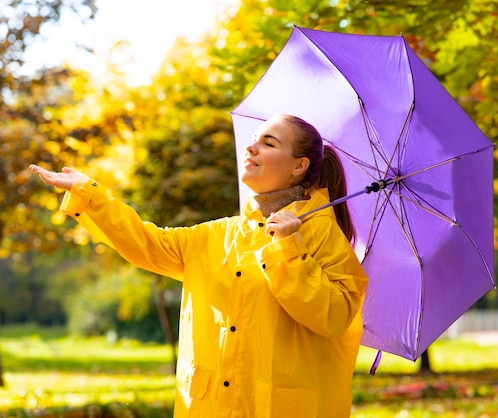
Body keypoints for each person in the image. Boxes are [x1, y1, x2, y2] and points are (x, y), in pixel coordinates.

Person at [30, 114, 368, 418]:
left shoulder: (324, 236)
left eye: (269, 142)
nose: (251, 147)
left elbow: (333, 317)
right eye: (255, 138)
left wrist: (289, 250)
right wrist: (89, 194)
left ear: (299, 166)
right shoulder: (220, 234)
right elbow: (147, 244)